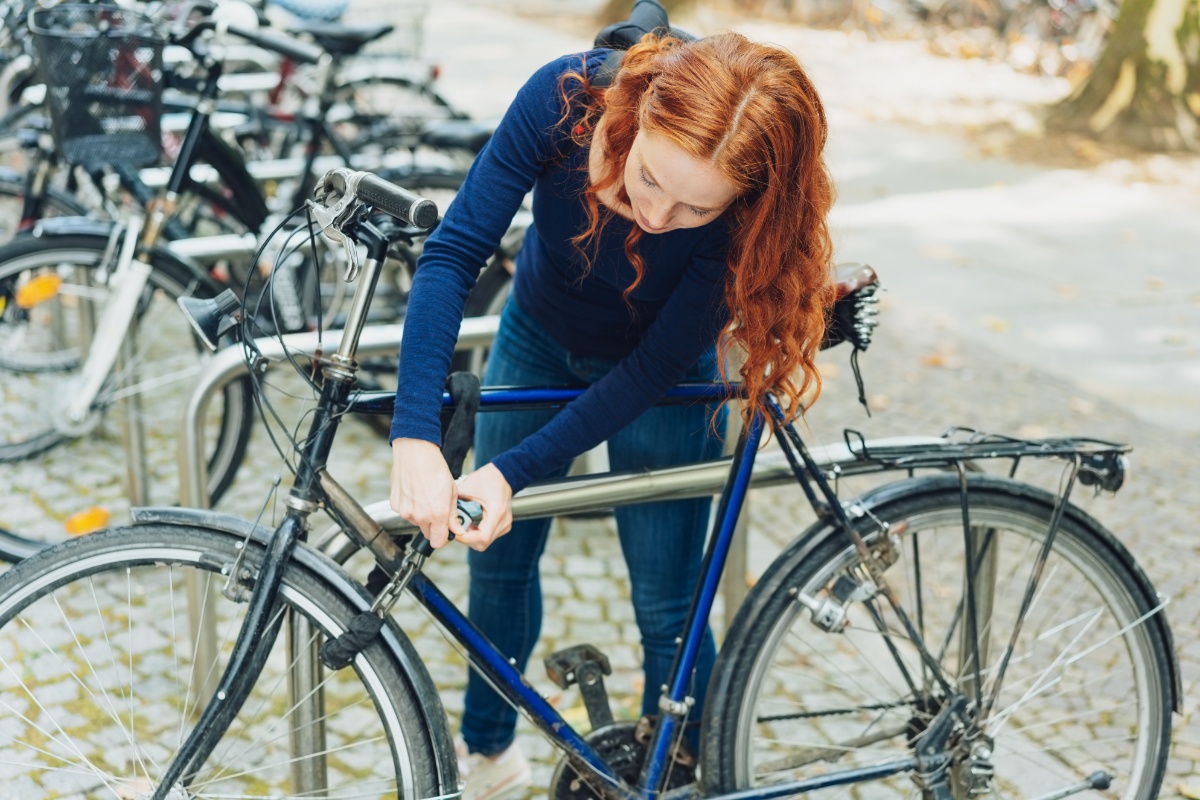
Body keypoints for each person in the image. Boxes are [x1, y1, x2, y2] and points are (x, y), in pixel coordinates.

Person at [388, 29, 835, 800]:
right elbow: (454, 250)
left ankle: (687, 772)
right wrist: (415, 435)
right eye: (651, 179)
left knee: (666, 597)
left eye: (697, 205)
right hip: (536, 331)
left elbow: (654, 368)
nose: (659, 216)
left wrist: (510, 470)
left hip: (660, 376)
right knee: (497, 565)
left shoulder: (746, 215)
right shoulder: (565, 101)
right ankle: (490, 754)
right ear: (638, 117)